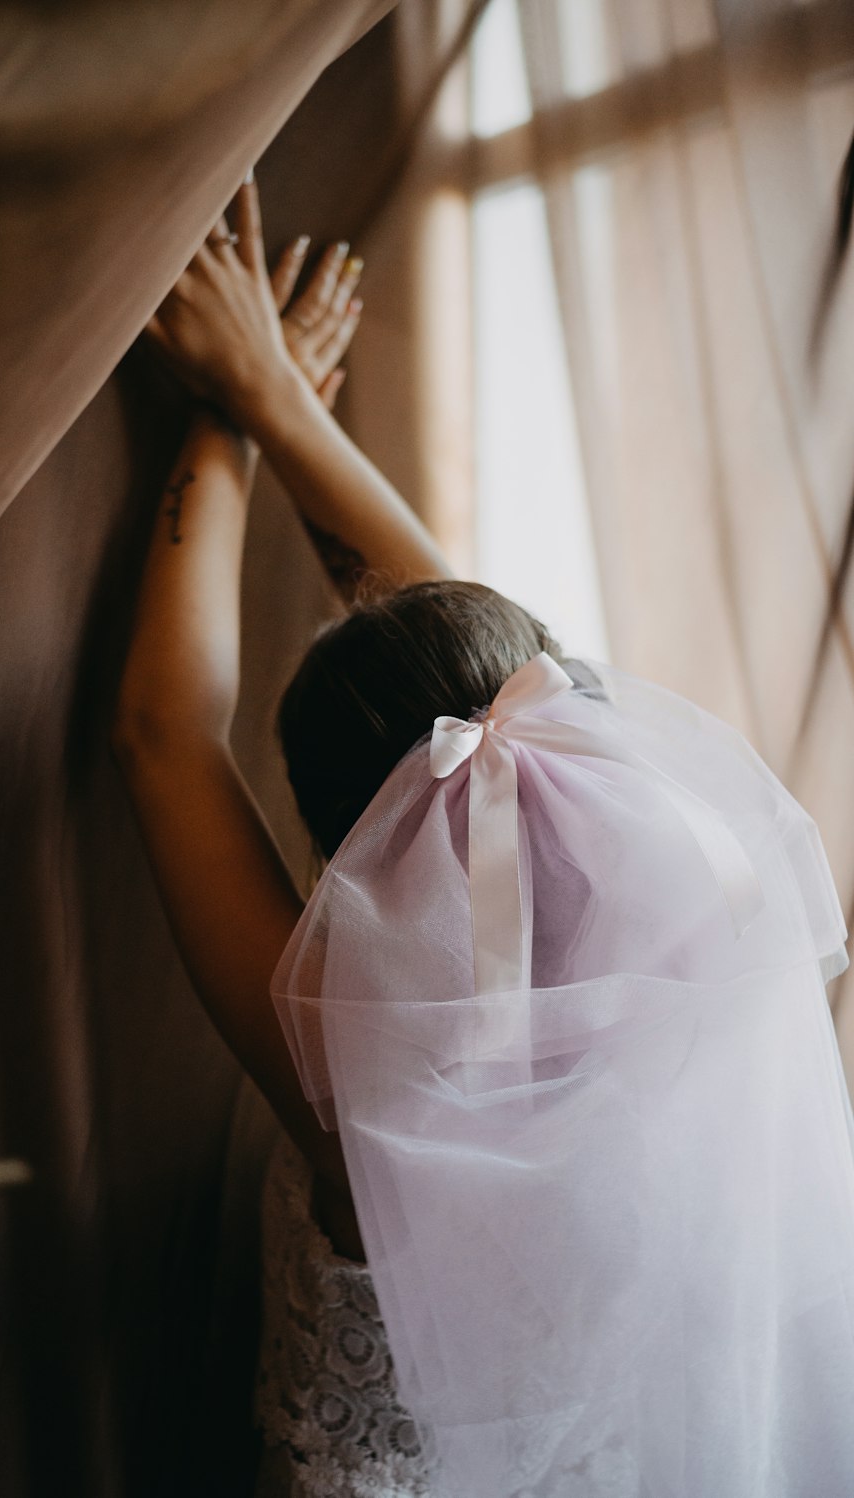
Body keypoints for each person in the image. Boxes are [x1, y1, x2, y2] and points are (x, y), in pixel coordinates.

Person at [112, 179, 854, 1497]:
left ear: (353, 857)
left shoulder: (367, 1098)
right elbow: (496, 680)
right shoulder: (710, 957)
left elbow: (166, 733)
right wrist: (277, 395)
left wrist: (226, 419)